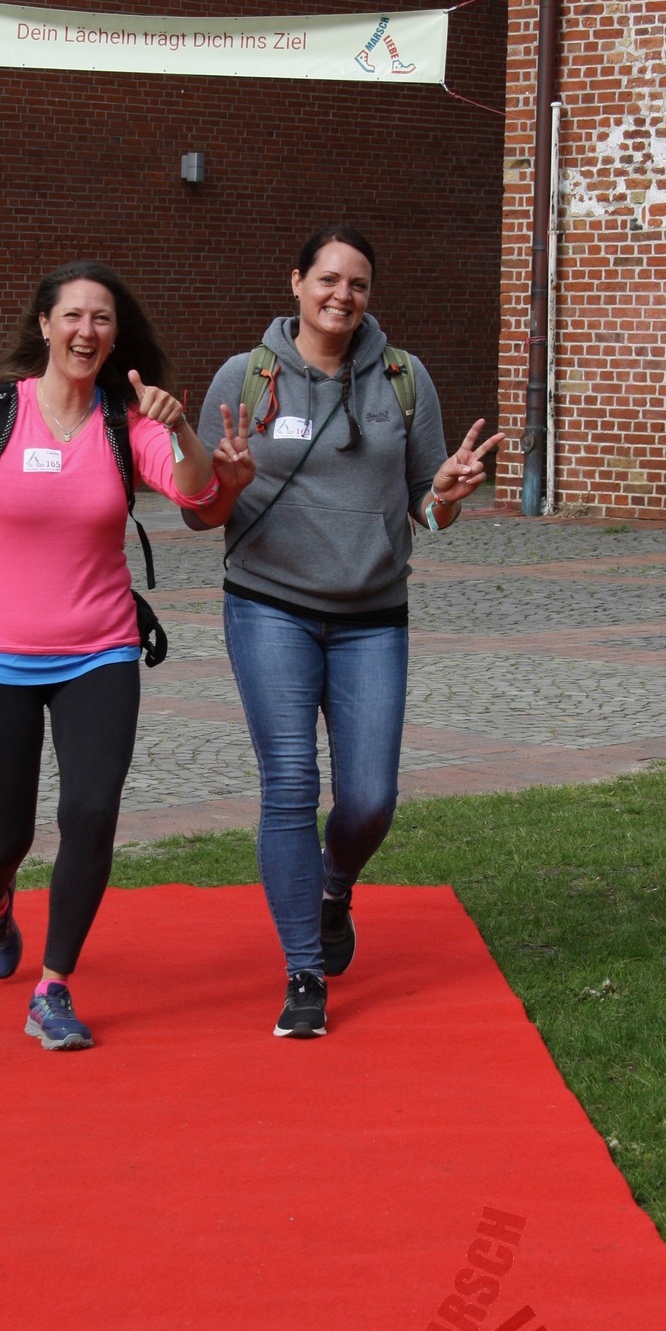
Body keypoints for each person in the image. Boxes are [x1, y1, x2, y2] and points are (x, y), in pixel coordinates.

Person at [0, 261, 255, 1050]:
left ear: (114, 335)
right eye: (72, 315)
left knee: (91, 816)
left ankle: (54, 987)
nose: (86, 330)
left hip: (98, 651)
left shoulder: (127, 424)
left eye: (101, 318)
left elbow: (196, 495)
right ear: (44, 325)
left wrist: (185, 432)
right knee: (5, 841)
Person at [194, 225, 502, 1041]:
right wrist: (223, 484)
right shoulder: (246, 377)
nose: (343, 295)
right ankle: (303, 972)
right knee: (290, 784)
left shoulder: (404, 379)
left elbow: (427, 508)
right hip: (269, 606)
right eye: (328, 279)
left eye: (358, 283)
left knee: (369, 799)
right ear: (296, 282)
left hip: (373, 617)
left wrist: (447, 496)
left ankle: (334, 886)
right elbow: (202, 511)